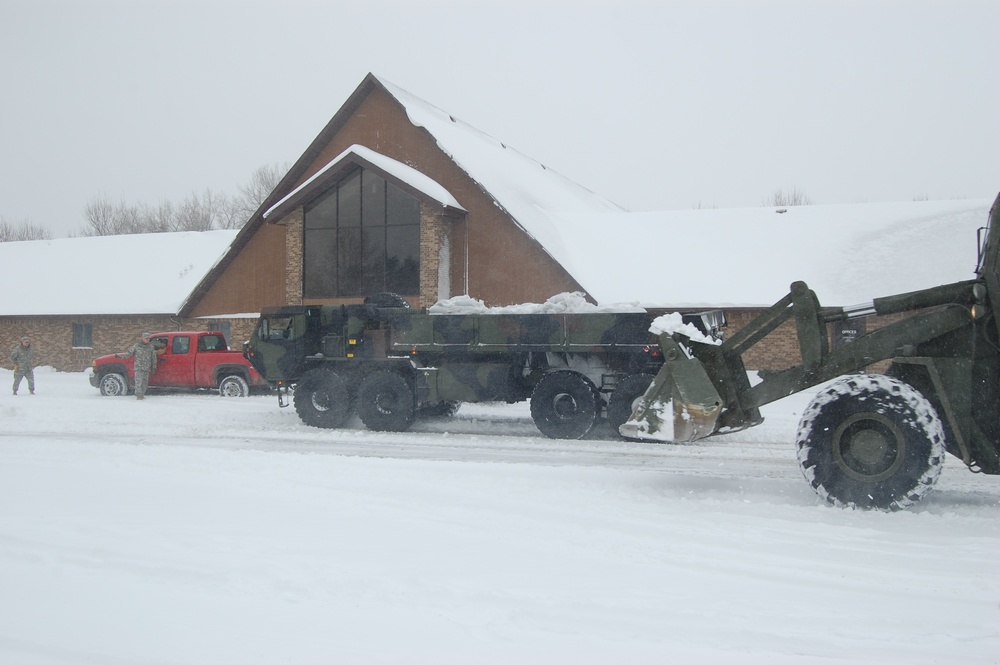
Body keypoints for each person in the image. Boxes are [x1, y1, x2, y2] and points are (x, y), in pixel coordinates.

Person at [116, 332, 158, 400]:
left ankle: (142, 394)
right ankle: (139, 395)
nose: (147, 340)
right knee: (138, 382)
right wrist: (121, 357)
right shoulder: (137, 346)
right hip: (139, 367)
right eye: (146, 338)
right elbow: (129, 353)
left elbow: (154, 358)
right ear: (142, 338)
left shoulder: (151, 347)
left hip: (146, 368)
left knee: (145, 383)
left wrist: (153, 367)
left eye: (148, 338)